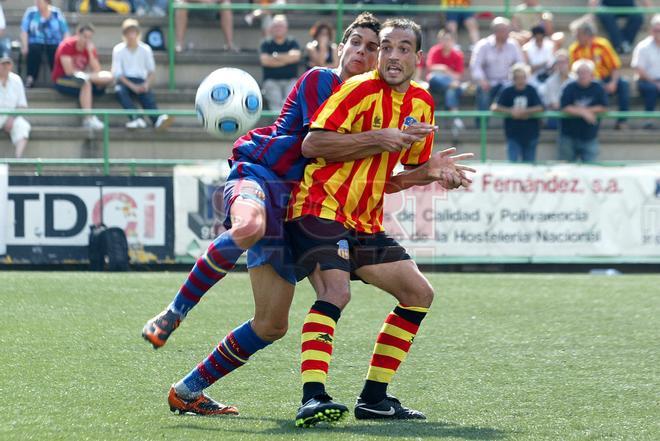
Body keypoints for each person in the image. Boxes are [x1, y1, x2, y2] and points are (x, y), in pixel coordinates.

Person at [143, 12, 383, 416]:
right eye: (355, 43)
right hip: (260, 173)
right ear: (340, 49)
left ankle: (187, 391)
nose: (362, 51)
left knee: (272, 324)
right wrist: (384, 140)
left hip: (297, 210)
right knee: (248, 226)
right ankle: (173, 313)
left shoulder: (372, 108)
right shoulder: (321, 81)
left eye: (371, 47)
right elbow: (320, 145)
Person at [286, 18, 474, 427]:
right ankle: (312, 397)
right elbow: (312, 143)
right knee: (336, 292)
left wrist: (435, 170)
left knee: (419, 294)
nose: (392, 55)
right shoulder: (356, 90)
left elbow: (399, 175)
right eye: (386, 47)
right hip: (319, 206)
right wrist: (378, 138)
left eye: (403, 48)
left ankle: (374, 398)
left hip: (364, 219)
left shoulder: (422, 102)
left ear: (418, 58)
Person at [111, 19, 172, 130]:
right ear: (124, 34)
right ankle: (135, 118)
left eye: (133, 32)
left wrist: (146, 85)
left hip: (141, 80)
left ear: (138, 33)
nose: (131, 35)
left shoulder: (146, 49)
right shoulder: (118, 49)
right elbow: (118, 74)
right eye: (129, 32)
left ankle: (156, 120)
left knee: (146, 94)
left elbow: (151, 72)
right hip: (124, 82)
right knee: (120, 91)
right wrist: (133, 86)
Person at [51, 23, 113, 130]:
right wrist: (87, 77)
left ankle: (88, 81)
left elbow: (97, 70)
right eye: (85, 37)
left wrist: (90, 53)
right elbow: (69, 71)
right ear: (78, 34)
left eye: (89, 38)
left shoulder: (89, 48)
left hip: (82, 77)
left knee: (108, 76)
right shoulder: (67, 45)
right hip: (62, 79)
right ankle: (88, 119)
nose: (87, 40)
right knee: (86, 83)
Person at [568, 21, 629, 130]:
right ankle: (594, 125)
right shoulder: (574, 49)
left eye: (578, 34)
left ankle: (622, 121)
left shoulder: (602, 45)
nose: (575, 36)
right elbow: (573, 72)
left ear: (587, 34)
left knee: (623, 84)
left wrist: (613, 83)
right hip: (585, 82)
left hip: (604, 79)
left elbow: (614, 67)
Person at [470, 17, 523, 124]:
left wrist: (516, 79)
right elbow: (475, 66)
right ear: (497, 31)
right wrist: (482, 80)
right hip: (488, 82)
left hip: (508, 82)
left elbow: (520, 64)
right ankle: (482, 126)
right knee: (482, 90)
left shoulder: (513, 45)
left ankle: (514, 123)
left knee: (518, 90)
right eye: (505, 30)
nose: (508, 33)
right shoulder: (483, 45)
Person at [491, 63, 544, 162]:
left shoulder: (531, 90)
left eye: (522, 77)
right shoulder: (507, 90)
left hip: (531, 134)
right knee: (512, 165)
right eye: (517, 78)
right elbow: (494, 107)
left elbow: (541, 107)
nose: (520, 80)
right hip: (513, 134)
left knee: (529, 167)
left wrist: (524, 112)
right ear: (513, 78)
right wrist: (511, 111)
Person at [559, 59, 608, 162]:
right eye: (580, 72)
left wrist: (584, 110)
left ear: (591, 74)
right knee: (567, 169)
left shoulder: (598, 88)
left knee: (591, 170)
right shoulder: (569, 87)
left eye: (586, 72)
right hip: (569, 136)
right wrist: (584, 113)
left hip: (589, 136)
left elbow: (604, 106)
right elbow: (564, 107)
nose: (583, 75)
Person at [20, 0, 70, 88]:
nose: (37, 4)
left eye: (40, 2)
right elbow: (24, 31)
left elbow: (65, 31)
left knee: (55, 51)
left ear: (47, 2)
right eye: (36, 2)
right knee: (34, 49)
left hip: (54, 42)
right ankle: (30, 78)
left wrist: (65, 46)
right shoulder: (31, 12)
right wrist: (25, 46)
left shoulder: (56, 13)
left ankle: (58, 79)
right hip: (35, 41)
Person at [426, 29, 465, 136]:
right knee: (434, 78)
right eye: (443, 39)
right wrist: (445, 70)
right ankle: (455, 117)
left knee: (451, 90)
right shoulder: (435, 50)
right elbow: (430, 68)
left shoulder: (457, 55)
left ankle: (455, 119)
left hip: (451, 84)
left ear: (453, 40)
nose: (445, 42)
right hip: (437, 84)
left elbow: (458, 76)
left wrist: (445, 70)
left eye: (448, 39)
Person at [259, 15, 301, 111]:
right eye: (276, 26)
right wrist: (286, 59)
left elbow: (296, 57)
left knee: (289, 103)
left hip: (290, 80)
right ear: (272, 28)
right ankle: (280, 126)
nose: (278, 28)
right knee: (275, 102)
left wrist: (274, 57)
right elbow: (265, 61)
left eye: (281, 26)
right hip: (271, 81)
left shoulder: (292, 42)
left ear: (286, 28)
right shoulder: (266, 43)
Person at [631, 14, 660, 129]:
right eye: (656, 30)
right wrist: (655, 83)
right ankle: (648, 119)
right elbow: (639, 70)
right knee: (651, 89)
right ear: (651, 30)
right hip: (645, 80)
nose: (658, 32)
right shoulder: (643, 46)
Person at [0, 54, 30, 158]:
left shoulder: (17, 80)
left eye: (8, 64)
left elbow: (22, 105)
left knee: (23, 126)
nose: (5, 67)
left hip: (11, 115)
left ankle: (17, 160)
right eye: (2, 64)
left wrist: (12, 117)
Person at [538, 49, 572, 129]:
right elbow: (553, 104)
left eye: (563, 62)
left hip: (572, 114)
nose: (561, 65)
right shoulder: (549, 81)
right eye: (559, 62)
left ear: (568, 63)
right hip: (556, 115)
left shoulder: (575, 80)